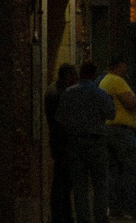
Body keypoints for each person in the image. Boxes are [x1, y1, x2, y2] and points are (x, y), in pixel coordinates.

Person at [53, 65, 120, 223]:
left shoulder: (68, 93)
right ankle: (100, 217)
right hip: (97, 141)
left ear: (81, 74)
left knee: (79, 185)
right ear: (94, 75)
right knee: (100, 184)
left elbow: (60, 118)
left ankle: (83, 218)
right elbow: (111, 114)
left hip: (75, 142)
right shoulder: (100, 93)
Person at [101, 58, 136, 219]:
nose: (125, 70)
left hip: (108, 129)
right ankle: (129, 208)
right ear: (119, 66)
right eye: (124, 66)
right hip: (122, 131)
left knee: (113, 172)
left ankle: (114, 208)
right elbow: (129, 102)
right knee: (130, 168)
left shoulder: (104, 81)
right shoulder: (117, 81)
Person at [48, 64, 80, 223]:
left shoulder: (56, 90)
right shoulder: (59, 94)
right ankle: (61, 216)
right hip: (62, 143)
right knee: (63, 182)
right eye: (74, 76)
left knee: (63, 182)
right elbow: (61, 122)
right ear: (67, 76)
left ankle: (63, 215)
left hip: (60, 142)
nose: (76, 80)